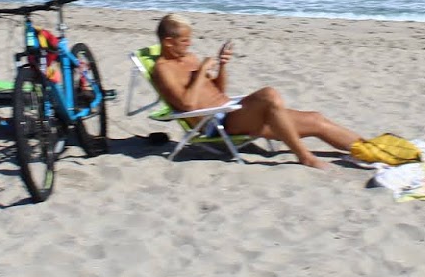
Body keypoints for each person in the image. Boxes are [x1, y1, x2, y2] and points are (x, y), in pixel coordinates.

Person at [149, 13, 363, 170]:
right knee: (269, 95)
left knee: (316, 120)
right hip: (216, 124)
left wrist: (222, 66)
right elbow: (187, 104)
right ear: (168, 42)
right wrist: (202, 71)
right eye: (184, 41)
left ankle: (373, 150)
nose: (190, 44)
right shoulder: (163, 70)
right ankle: (305, 157)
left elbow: (219, 90)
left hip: (231, 111)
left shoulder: (190, 58)